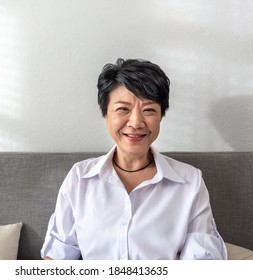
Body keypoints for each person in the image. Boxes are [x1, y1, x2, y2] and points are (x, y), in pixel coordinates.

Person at [41, 58, 227, 260]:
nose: (136, 122)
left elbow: (202, 261)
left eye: (149, 110)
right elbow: (57, 255)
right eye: (123, 109)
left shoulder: (190, 181)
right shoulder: (80, 177)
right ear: (105, 114)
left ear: (161, 116)